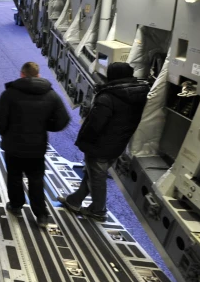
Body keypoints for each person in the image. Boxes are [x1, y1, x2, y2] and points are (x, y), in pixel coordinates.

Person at [58, 62, 149, 221]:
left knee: (97, 178)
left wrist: (85, 141)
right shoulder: (140, 93)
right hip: (118, 143)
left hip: (100, 145)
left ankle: (98, 211)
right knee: (93, 174)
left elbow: (95, 124)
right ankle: (74, 201)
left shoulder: (108, 97)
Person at [0, 61, 70, 227]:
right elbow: (63, 120)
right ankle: (41, 215)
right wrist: (45, 126)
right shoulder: (51, 94)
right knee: (36, 180)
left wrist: (7, 135)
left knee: (14, 178)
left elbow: (0, 120)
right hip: (37, 148)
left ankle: (16, 206)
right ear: (38, 75)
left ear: (22, 74)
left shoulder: (9, 94)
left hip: (13, 147)